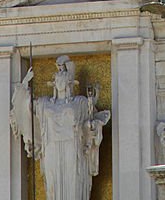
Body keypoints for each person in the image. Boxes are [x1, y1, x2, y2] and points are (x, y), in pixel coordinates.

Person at [10, 57, 110, 200]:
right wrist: (25, 83)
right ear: (54, 83)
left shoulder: (79, 102)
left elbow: (91, 121)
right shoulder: (44, 104)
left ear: (69, 83)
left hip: (72, 147)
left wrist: (94, 127)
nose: (60, 82)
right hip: (51, 148)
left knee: (73, 179)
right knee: (52, 181)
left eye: (63, 79)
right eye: (58, 79)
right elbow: (25, 108)